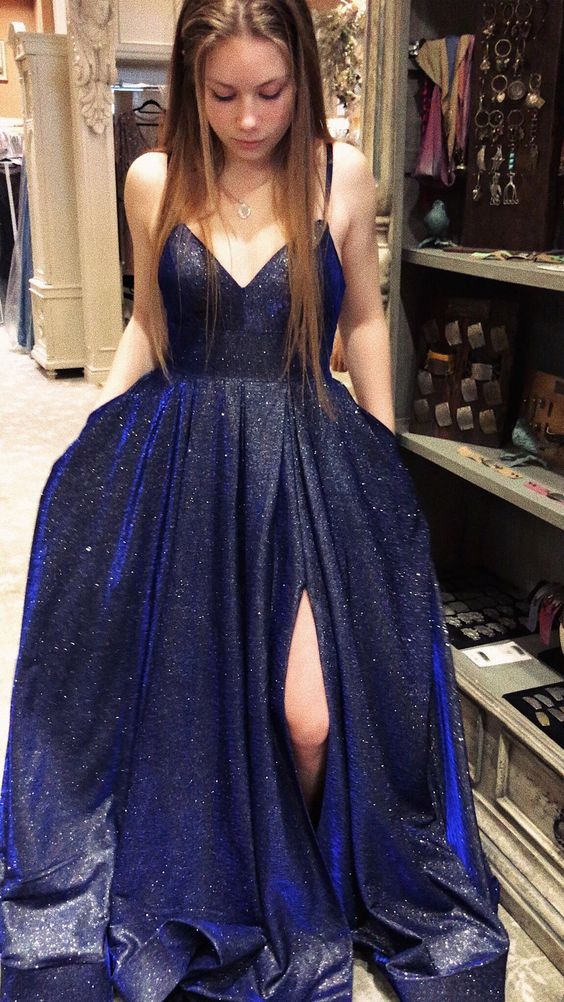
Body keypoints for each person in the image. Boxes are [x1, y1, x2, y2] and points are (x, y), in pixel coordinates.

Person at [0, 0, 510, 1000]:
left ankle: (303, 881)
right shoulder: (153, 180)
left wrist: (384, 458)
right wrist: (95, 436)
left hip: (307, 457)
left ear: (301, 81)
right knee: (186, 697)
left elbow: (364, 319)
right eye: (223, 93)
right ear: (191, 86)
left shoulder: (340, 174)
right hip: (185, 459)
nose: (246, 118)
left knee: (307, 714)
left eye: (270, 93)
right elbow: (150, 325)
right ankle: (230, 879)